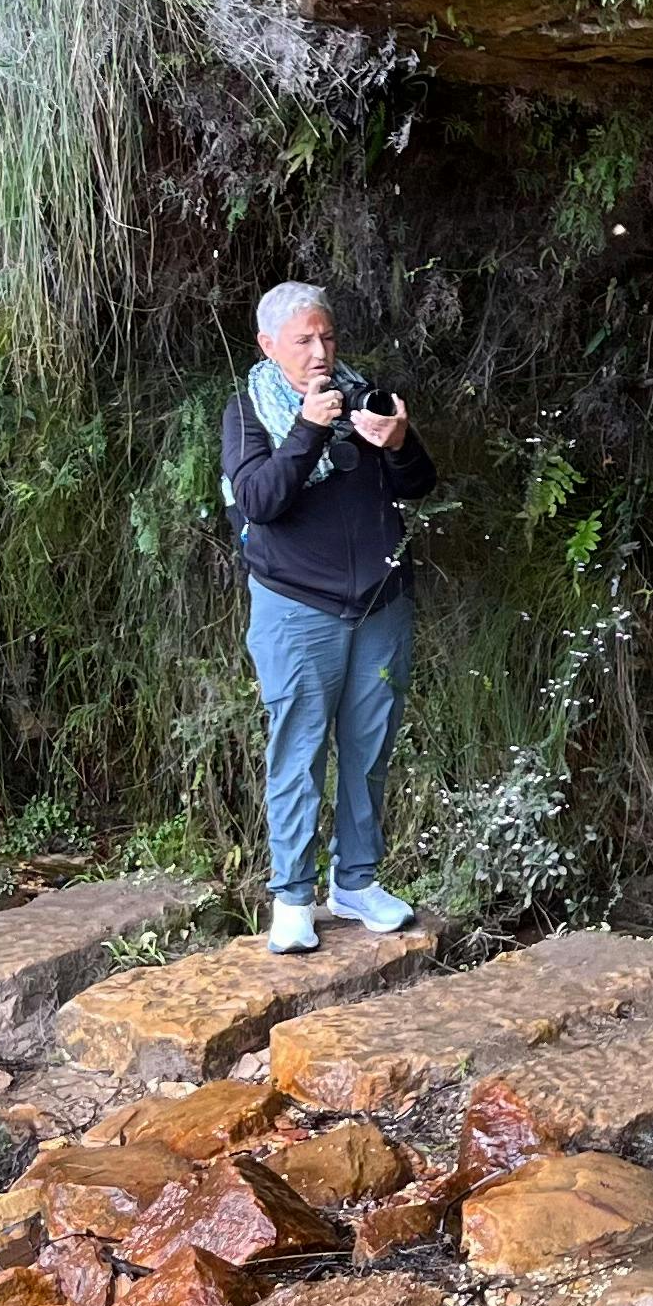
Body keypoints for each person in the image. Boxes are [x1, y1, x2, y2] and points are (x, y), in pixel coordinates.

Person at [225, 282, 435, 954]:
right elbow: (260, 498)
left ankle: (357, 883)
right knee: (299, 751)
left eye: (328, 338)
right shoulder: (249, 410)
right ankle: (291, 897)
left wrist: (397, 440)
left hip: (378, 605)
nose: (321, 352)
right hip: (296, 609)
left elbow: (418, 482)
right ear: (268, 346)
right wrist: (310, 428)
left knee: (369, 753)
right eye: (304, 341)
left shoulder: (362, 393)